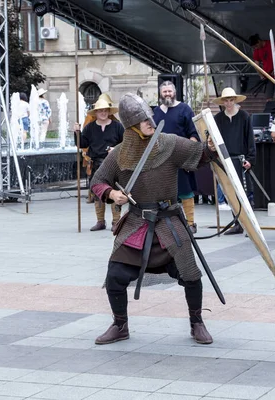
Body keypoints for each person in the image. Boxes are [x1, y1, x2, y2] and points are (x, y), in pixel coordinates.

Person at [90, 93, 218, 345]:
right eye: (142, 119)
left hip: (169, 222)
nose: (149, 121)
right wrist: (112, 193)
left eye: (149, 116)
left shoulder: (169, 144)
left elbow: (198, 155)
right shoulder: (119, 154)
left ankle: (197, 323)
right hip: (138, 223)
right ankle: (120, 325)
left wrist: (210, 149)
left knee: (191, 275)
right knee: (114, 274)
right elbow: (97, 182)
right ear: (130, 126)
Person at [153, 80, 200, 233]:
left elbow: (194, 134)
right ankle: (169, 223)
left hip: (181, 156)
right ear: (160, 94)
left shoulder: (184, 109)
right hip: (161, 158)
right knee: (164, 191)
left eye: (169, 91)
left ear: (174, 92)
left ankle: (191, 223)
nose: (167, 94)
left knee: (185, 190)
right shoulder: (156, 112)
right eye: (164, 91)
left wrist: (188, 154)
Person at [74, 97, 124, 231]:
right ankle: (100, 221)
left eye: (105, 110)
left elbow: (126, 144)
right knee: (97, 192)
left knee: (114, 191)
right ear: (95, 113)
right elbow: (82, 144)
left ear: (109, 112)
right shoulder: (90, 127)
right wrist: (77, 132)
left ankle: (116, 222)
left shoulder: (117, 126)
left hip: (113, 163)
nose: (102, 113)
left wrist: (116, 149)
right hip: (96, 163)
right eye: (100, 111)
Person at [213, 87, 256, 235]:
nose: (229, 103)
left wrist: (250, 158)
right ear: (223, 102)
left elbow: (250, 139)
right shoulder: (218, 119)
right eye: (226, 100)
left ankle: (249, 224)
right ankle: (237, 223)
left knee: (244, 193)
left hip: (241, 159)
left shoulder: (244, 116)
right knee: (230, 193)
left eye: (231, 100)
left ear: (235, 101)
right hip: (225, 160)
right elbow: (214, 140)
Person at [249, 33, 275, 101]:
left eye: (256, 45)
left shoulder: (271, 44)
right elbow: (256, 64)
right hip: (267, 76)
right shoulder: (257, 50)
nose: (256, 48)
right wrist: (261, 75)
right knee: (268, 97)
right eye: (254, 47)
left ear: (259, 41)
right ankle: (270, 109)